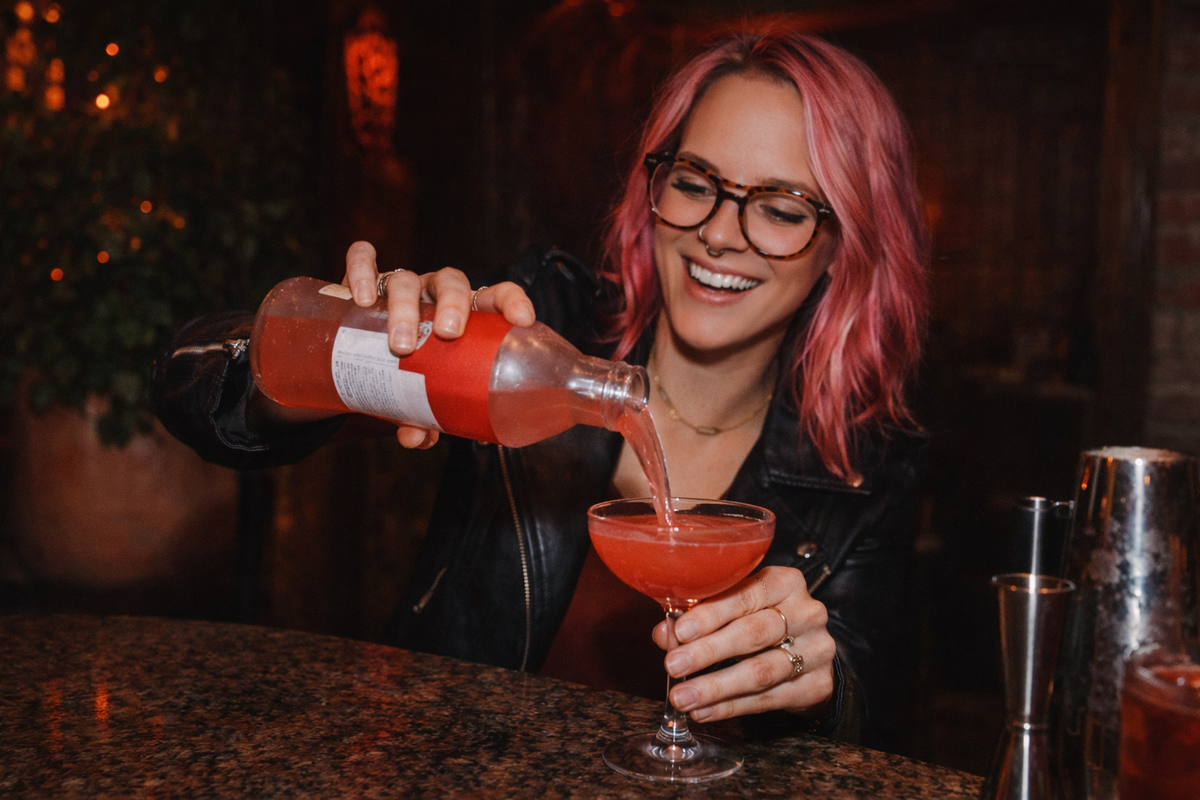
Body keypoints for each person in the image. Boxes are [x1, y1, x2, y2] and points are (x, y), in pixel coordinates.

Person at [151, 29, 928, 747]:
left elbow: (868, 715)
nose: (720, 234)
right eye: (695, 183)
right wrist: (354, 343)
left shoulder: (864, 469)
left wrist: (819, 688)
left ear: (843, 247)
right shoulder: (536, 325)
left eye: (782, 208)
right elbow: (192, 392)